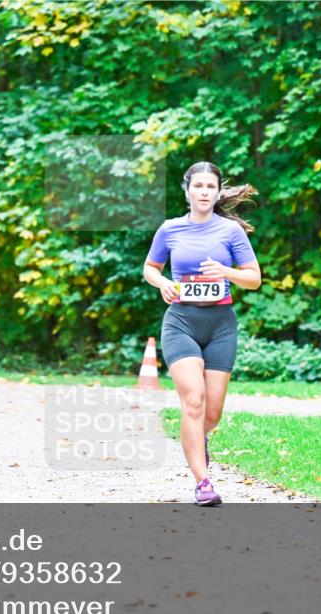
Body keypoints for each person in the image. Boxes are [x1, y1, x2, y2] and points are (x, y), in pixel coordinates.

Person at [142, 162, 261, 506]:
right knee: (193, 401)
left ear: (217, 191)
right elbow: (151, 268)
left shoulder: (230, 232)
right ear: (188, 191)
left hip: (221, 325)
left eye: (211, 186)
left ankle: (199, 440)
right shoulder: (170, 229)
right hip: (181, 322)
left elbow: (254, 278)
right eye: (199, 186)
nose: (204, 192)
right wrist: (163, 282)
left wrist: (226, 271)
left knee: (212, 412)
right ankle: (203, 482)